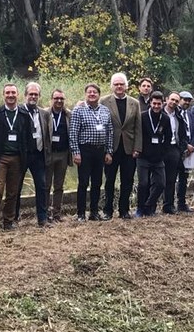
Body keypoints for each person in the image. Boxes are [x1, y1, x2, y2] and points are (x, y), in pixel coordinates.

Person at [0, 84, 33, 231]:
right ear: (3, 95)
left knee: (13, 192)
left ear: (17, 95)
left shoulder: (24, 115)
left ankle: (8, 221)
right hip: (1, 158)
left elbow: (29, 137)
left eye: (13, 92)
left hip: (18, 159)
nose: (10, 95)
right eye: (8, 93)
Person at [100, 72, 142, 220]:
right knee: (109, 180)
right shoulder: (104, 101)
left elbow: (138, 128)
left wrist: (137, 148)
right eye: (116, 84)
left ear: (126, 86)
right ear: (112, 86)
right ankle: (108, 211)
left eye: (121, 84)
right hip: (111, 148)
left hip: (129, 149)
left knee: (127, 180)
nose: (119, 86)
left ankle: (124, 210)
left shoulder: (134, 103)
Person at [70, 83, 114, 221]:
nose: (92, 94)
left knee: (97, 182)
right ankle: (81, 213)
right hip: (85, 150)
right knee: (83, 182)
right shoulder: (79, 110)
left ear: (99, 95)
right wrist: (76, 152)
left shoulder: (105, 110)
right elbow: (73, 133)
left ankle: (94, 212)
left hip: (100, 151)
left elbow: (110, 132)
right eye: (89, 92)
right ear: (85, 94)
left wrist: (109, 151)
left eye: (95, 92)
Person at [136, 91, 172, 216]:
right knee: (143, 183)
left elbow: (168, 137)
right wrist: (138, 150)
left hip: (158, 158)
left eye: (159, 104)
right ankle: (140, 209)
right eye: (154, 103)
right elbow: (137, 134)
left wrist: (163, 152)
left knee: (161, 184)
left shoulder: (165, 118)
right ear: (150, 103)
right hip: (143, 157)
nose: (156, 106)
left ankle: (149, 205)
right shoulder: (143, 116)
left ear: (163, 104)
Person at [19, 82, 50, 226]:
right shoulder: (18, 111)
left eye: (35, 94)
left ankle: (42, 219)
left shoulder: (43, 113)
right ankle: (13, 218)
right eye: (30, 94)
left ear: (39, 96)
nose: (33, 97)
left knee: (42, 186)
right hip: (22, 155)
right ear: (25, 95)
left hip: (39, 154)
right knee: (16, 186)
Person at [45, 89, 72, 221]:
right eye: (56, 98)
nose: (59, 101)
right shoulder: (45, 114)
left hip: (63, 154)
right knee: (46, 185)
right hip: (49, 154)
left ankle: (56, 214)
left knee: (59, 186)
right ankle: (44, 214)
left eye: (61, 98)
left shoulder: (68, 115)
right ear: (52, 99)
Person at [162, 92, 188, 214]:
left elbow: (183, 135)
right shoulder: (159, 113)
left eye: (177, 101)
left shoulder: (179, 116)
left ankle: (168, 205)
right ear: (167, 99)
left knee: (171, 179)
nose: (174, 102)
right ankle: (149, 205)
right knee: (157, 179)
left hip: (174, 149)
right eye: (172, 99)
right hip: (159, 148)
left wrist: (180, 148)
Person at [176, 91, 194, 212]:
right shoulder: (175, 114)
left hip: (189, 150)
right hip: (177, 149)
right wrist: (185, 146)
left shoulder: (189, 114)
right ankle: (168, 203)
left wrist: (192, 144)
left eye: (188, 100)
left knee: (184, 177)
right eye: (184, 99)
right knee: (172, 177)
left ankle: (181, 203)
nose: (186, 102)